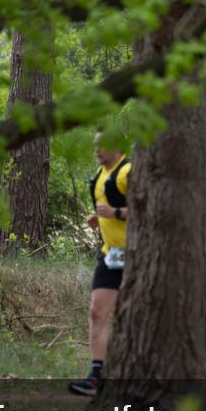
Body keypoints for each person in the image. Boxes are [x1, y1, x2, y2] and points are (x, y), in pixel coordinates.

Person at [69, 134, 131, 396]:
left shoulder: (129, 171)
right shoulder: (100, 174)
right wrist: (99, 218)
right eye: (94, 144)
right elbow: (109, 209)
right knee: (97, 311)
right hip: (111, 254)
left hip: (138, 255)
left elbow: (151, 207)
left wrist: (115, 214)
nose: (96, 150)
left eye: (101, 145)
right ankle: (97, 376)